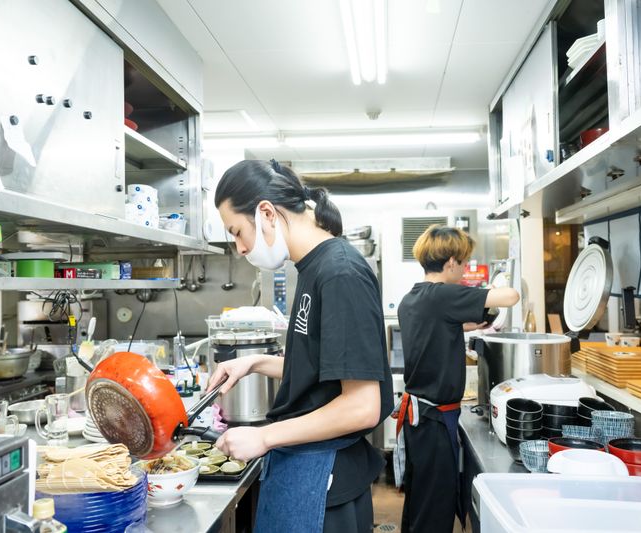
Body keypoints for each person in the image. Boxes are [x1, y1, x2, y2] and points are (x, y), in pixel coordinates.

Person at [208, 159, 393, 533]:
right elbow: (320, 364)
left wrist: (262, 436)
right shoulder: (312, 267)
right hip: (307, 464)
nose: (240, 248)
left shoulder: (340, 273)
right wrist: (255, 362)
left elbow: (362, 406)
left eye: (238, 232)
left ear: (266, 213)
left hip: (323, 477)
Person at [396, 225, 519, 533]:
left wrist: (463, 326)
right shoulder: (442, 295)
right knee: (435, 510)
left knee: (419, 502)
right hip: (434, 421)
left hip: (419, 419)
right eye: (463, 263)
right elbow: (511, 296)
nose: (464, 271)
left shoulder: (413, 298)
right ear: (450, 262)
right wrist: (500, 281)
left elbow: (434, 331)